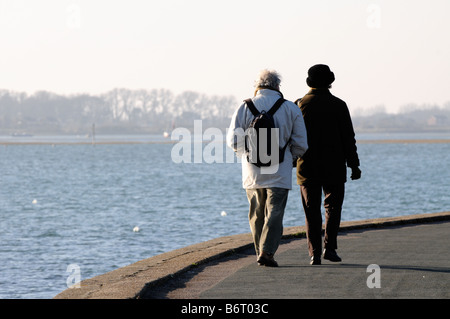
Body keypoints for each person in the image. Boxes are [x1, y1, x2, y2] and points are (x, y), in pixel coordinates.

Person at [227, 69, 308, 267]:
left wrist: (248, 154)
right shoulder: (290, 108)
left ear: (257, 86)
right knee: (275, 212)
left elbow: (232, 141)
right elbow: (301, 144)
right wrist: (290, 158)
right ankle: (267, 252)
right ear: (278, 86)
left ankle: (259, 252)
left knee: (256, 213)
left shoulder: (244, 107)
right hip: (279, 170)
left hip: (251, 172)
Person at [295, 64, 361, 265]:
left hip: (307, 167)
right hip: (334, 166)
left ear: (309, 82)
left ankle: (314, 252)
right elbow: (348, 138)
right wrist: (354, 165)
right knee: (332, 208)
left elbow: (292, 137)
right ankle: (329, 248)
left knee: (311, 210)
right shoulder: (339, 105)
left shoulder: (299, 105)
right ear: (330, 81)